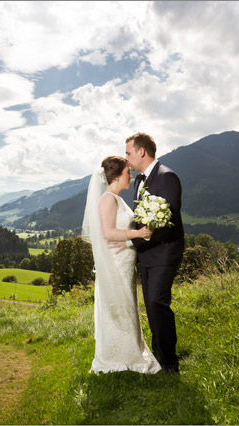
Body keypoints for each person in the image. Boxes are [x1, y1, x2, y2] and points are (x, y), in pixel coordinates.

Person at [82, 155, 161, 375]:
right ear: (117, 176)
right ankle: (117, 355)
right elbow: (107, 232)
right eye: (128, 172)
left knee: (127, 305)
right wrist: (137, 233)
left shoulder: (116, 198)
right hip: (116, 264)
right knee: (119, 306)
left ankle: (131, 350)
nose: (131, 175)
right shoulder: (108, 199)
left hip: (125, 262)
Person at [124, 132, 185, 374]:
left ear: (141, 151)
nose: (126, 157)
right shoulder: (140, 181)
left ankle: (170, 363)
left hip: (163, 252)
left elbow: (166, 220)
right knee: (150, 305)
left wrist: (136, 242)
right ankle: (160, 354)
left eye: (128, 152)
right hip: (147, 254)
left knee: (158, 303)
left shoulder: (167, 177)